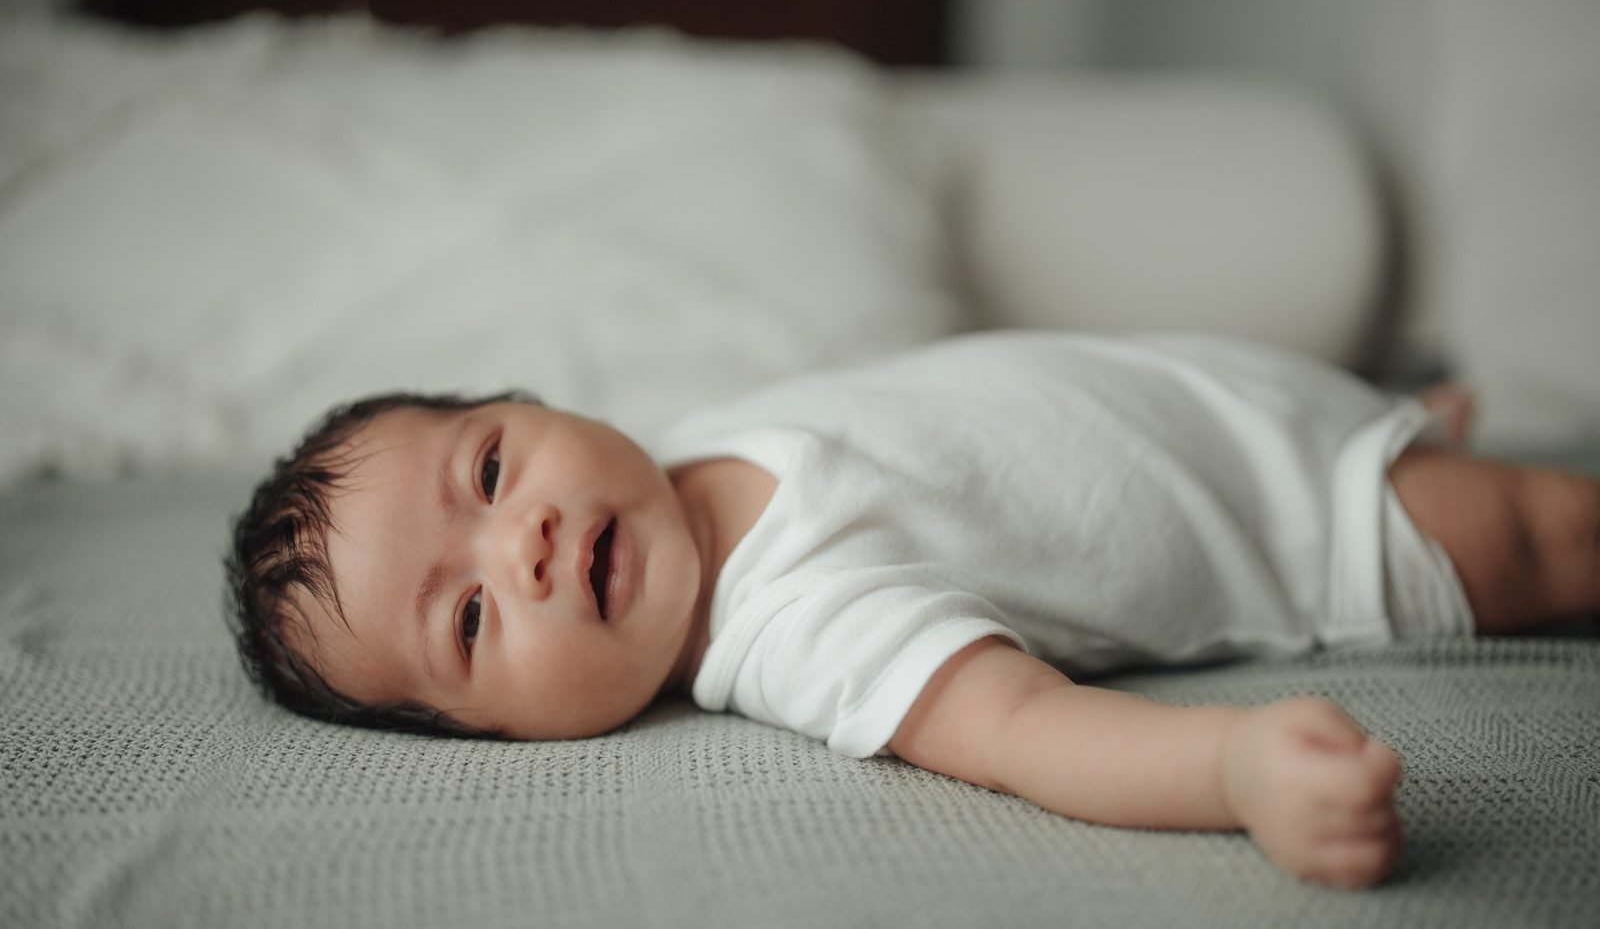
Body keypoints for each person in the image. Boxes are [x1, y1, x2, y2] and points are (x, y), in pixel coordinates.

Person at [225, 331, 1600, 891]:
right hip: (1305, 527)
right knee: (1556, 530)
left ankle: (1409, 407)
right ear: (501, 741)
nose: (517, 547)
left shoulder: (700, 438)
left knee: (1416, 423)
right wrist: (1235, 769)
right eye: (466, 625)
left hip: (1213, 387)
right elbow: (1030, 731)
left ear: (530, 401)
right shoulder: (796, 630)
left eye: (487, 467)